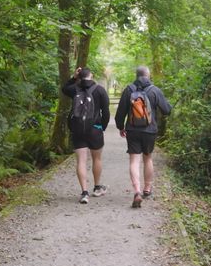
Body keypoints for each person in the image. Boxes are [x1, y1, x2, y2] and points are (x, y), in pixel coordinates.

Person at [115, 66, 172, 208]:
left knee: (134, 160)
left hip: (132, 130)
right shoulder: (155, 90)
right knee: (147, 158)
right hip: (150, 130)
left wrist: (121, 127)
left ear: (136, 75)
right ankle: (147, 188)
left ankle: (137, 191)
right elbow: (166, 110)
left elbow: (120, 113)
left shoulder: (128, 90)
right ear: (148, 75)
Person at [61, 66, 110, 204]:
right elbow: (106, 112)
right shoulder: (100, 90)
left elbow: (64, 88)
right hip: (95, 129)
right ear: (91, 75)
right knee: (97, 159)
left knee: (81, 161)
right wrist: (102, 127)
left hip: (77, 129)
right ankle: (97, 187)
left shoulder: (74, 89)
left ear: (80, 76)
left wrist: (73, 77)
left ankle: (84, 193)